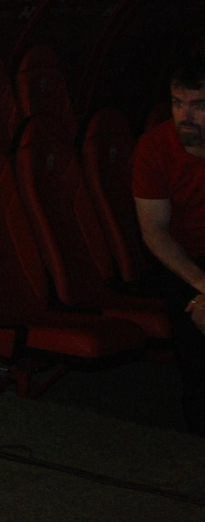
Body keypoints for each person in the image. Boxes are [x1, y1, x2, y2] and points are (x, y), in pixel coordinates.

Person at [133, 54, 205, 435]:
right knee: (196, 346)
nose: (185, 116)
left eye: (198, 105)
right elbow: (155, 231)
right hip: (186, 257)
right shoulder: (155, 147)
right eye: (178, 104)